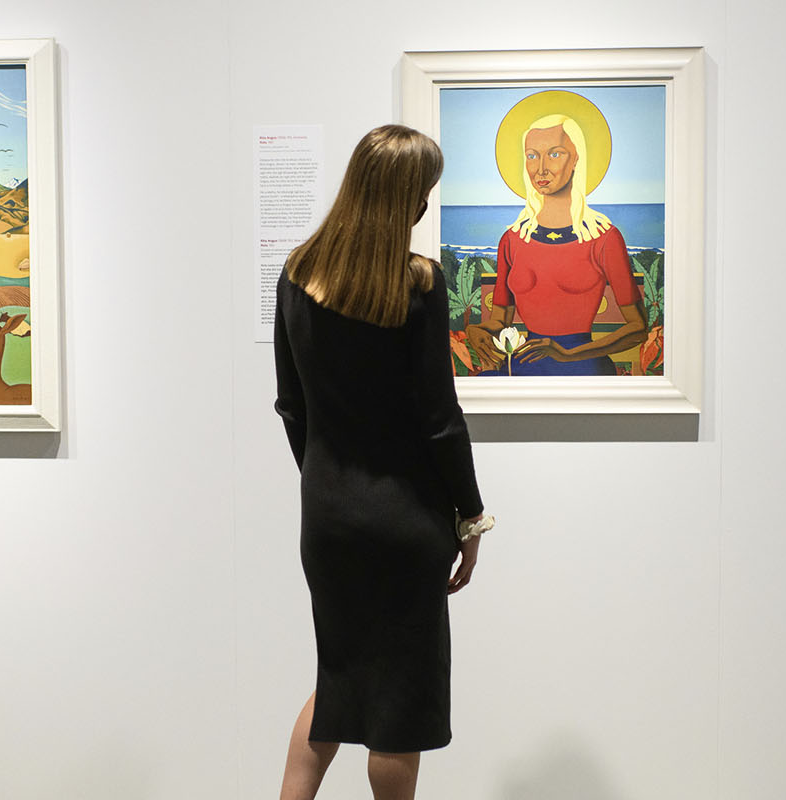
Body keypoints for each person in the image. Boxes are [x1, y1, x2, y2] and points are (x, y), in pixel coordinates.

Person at [273, 124, 492, 800]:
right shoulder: (419, 282)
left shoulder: (297, 273)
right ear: (407, 197)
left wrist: (325, 482)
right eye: (424, 191)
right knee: (401, 703)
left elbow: (291, 406)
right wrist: (471, 517)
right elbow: (439, 419)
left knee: (337, 681)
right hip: (405, 522)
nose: (427, 203)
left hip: (328, 518)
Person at [467, 111, 647, 376]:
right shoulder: (513, 239)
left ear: (576, 159)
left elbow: (638, 327)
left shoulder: (603, 237)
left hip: (582, 362)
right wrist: (477, 331)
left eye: (554, 154)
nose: (541, 168)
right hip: (526, 361)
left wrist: (568, 354)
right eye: (532, 156)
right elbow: (500, 320)